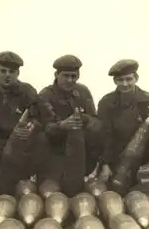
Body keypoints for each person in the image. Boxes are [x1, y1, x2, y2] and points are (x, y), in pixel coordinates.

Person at [96, 59, 149, 195]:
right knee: (118, 190)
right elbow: (103, 134)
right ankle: (130, 176)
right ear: (115, 82)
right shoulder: (106, 102)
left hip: (144, 150)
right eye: (120, 80)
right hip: (118, 153)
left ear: (136, 78)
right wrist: (105, 164)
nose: (125, 84)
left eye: (129, 79)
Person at [0, 51, 49, 195]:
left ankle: (14, 181)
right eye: (3, 71)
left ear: (18, 73)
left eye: (12, 72)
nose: (7, 75)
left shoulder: (28, 91)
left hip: (22, 141)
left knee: (41, 145)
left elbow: (40, 117)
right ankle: (1, 179)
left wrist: (32, 127)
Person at [38, 55, 104, 185]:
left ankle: (94, 171)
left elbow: (97, 123)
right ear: (56, 74)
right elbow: (45, 128)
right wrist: (62, 126)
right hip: (56, 149)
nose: (70, 80)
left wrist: (86, 119)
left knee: (100, 132)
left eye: (74, 76)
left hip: (81, 149)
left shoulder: (83, 92)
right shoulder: (45, 95)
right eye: (66, 76)